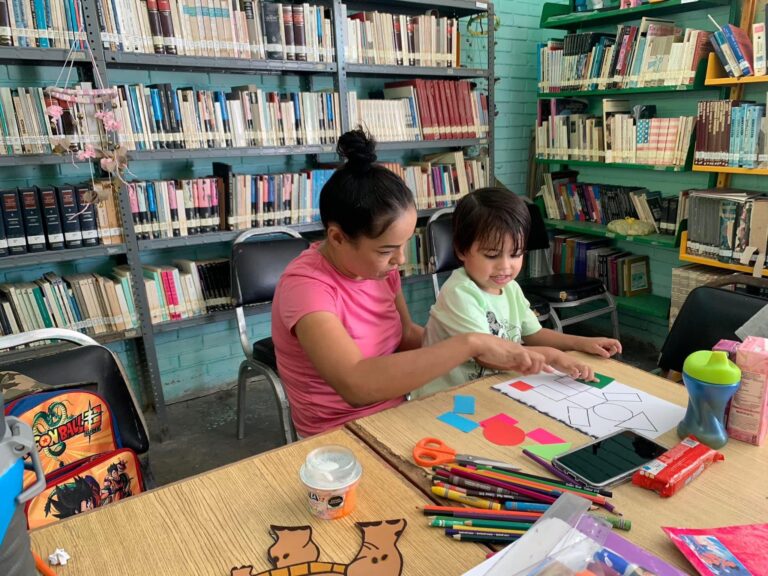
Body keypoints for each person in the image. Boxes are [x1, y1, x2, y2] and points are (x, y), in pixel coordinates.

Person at [271, 129, 549, 437]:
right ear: (337, 238)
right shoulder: (307, 288)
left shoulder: (379, 271)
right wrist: (469, 343)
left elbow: (404, 335)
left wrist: (463, 340)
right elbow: (355, 384)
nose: (400, 260)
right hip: (340, 433)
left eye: (404, 244)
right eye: (386, 250)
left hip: (404, 406)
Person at [412, 187, 622, 399]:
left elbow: (534, 334)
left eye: (515, 254)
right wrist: (552, 356)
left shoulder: (510, 288)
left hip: (489, 388)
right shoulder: (460, 293)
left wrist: (582, 343)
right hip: (443, 398)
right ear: (461, 250)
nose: (505, 267)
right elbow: (487, 355)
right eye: (492, 255)